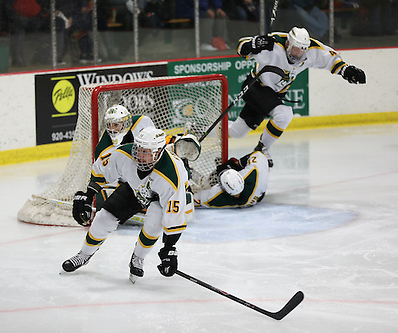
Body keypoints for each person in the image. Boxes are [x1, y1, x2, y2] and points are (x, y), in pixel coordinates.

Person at [63, 127, 190, 283]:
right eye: (139, 150)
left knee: (156, 219)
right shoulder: (123, 153)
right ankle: (84, 254)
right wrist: (88, 196)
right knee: (104, 218)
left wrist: (169, 249)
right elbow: (100, 172)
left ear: (159, 152)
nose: (141, 156)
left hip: (160, 197)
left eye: (147, 153)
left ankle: (138, 257)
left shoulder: (171, 176)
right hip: (135, 188)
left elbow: (174, 218)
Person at [229, 26, 366, 167]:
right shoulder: (273, 45)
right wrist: (255, 44)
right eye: (295, 49)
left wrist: (345, 70)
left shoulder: (310, 50)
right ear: (288, 44)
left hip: (273, 95)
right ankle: (262, 149)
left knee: (237, 132)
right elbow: (240, 47)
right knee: (284, 114)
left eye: (302, 50)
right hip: (256, 87)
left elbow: (330, 59)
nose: (298, 54)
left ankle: (205, 129)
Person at [71, 104, 155, 226]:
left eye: (116, 125)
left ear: (126, 123)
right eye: (109, 125)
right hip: (128, 181)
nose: (112, 129)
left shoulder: (142, 122)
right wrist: (88, 196)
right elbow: (99, 174)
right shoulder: (104, 149)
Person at [193, 150, 269, 208]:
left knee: (210, 182)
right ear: (240, 175)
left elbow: (196, 200)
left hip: (256, 192)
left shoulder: (219, 197)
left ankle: (196, 176)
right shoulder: (254, 171)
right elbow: (259, 155)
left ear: (225, 190)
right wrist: (239, 163)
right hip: (258, 189)